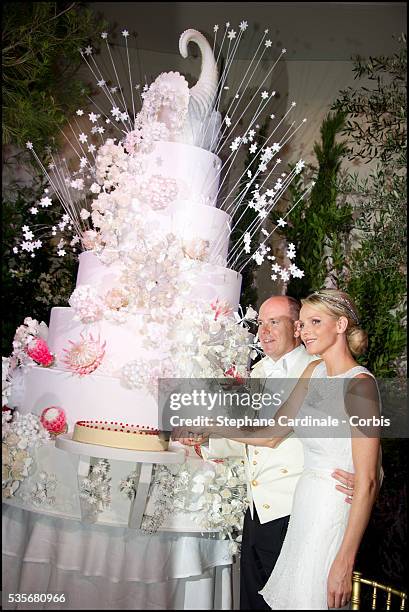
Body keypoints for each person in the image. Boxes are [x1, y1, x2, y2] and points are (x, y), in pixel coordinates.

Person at [182, 295, 358, 610]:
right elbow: (254, 437)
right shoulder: (257, 371)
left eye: (274, 322)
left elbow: (350, 440)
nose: (263, 331)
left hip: (295, 509)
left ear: (296, 327)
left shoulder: (318, 368)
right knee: (253, 601)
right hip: (257, 508)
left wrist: (368, 478)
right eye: (260, 323)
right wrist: (206, 439)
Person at [254, 289, 381, 609]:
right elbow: (272, 432)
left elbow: (366, 480)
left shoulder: (360, 384)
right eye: (301, 324)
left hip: (332, 508)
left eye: (314, 322)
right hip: (305, 504)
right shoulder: (313, 371)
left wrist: (345, 561)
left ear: (340, 325)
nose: (304, 331)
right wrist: (209, 426)